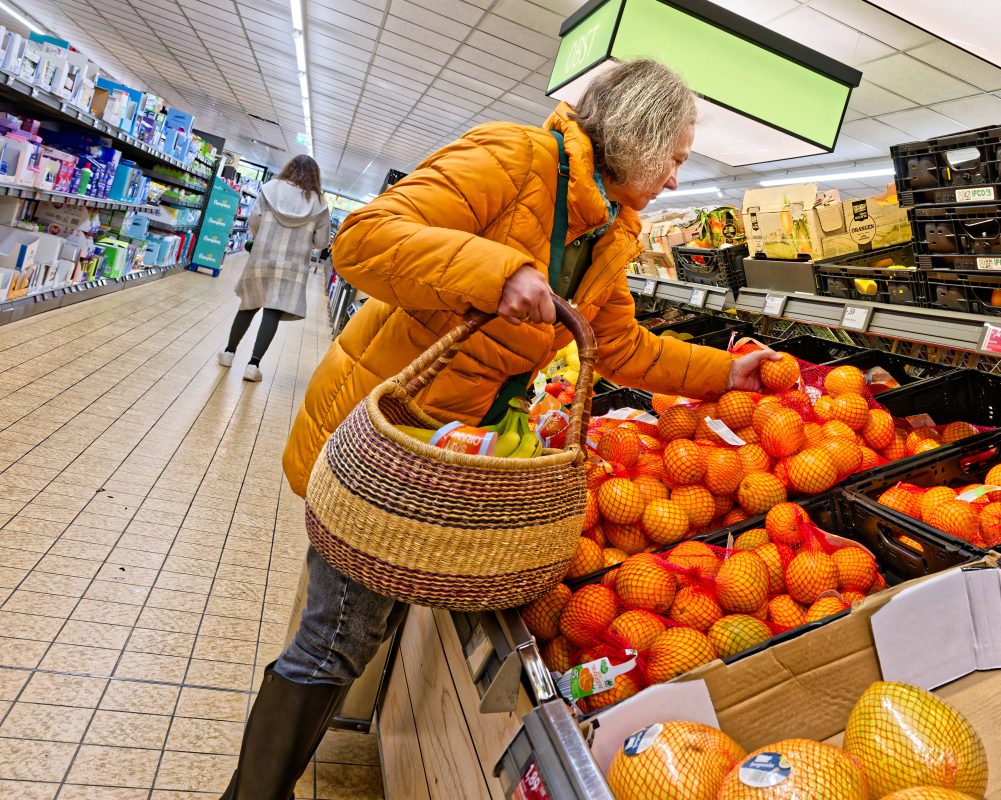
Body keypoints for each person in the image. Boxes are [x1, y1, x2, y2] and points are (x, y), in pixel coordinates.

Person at [218, 59, 779, 799]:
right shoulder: (512, 159)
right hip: (389, 437)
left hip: (447, 456)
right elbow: (363, 239)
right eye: (675, 158)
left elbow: (619, 349)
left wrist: (723, 374)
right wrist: (494, 272)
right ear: (639, 137)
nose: (677, 178)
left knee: (354, 631)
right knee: (337, 636)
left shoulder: (611, 232)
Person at [219, 155, 331, 382]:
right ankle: (253, 365)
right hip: (293, 265)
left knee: (249, 304)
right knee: (273, 311)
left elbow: (254, 221)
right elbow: (321, 242)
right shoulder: (319, 203)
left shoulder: (270, 189)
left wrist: (262, 237)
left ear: (289, 169)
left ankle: (229, 353)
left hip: (263, 257)